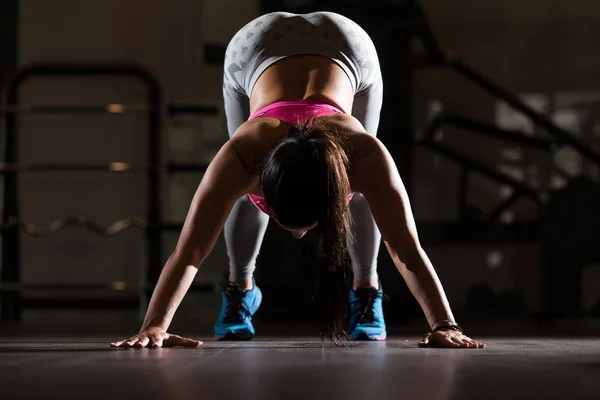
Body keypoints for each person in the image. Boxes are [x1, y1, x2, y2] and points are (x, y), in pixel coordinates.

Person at [111, 11, 485, 349]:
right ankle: (240, 286)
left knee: (367, 196)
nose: (298, 235)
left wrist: (445, 324)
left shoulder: (364, 154)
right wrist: (154, 326)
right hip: (255, 48)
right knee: (235, 195)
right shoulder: (242, 154)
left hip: (349, 49)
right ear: (262, 181)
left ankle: (366, 288)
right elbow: (190, 250)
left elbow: (405, 247)